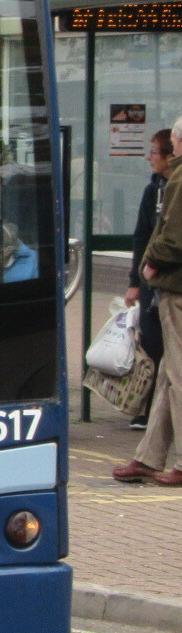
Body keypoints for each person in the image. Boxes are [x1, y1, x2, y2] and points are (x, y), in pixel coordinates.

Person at [115, 120, 182, 483]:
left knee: (178, 376)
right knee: (168, 378)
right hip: (172, 289)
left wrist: (149, 264)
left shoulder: (179, 181)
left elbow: (171, 237)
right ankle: (149, 456)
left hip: (176, 288)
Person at [125, 128, 174, 426]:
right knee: (150, 346)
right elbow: (141, 236)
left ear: (170, 155)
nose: (148, 157)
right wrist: (135, 280)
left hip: (171, 281)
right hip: (149, 283)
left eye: (153, 152)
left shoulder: (176, 188)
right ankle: (146, 409)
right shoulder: (152, 190)